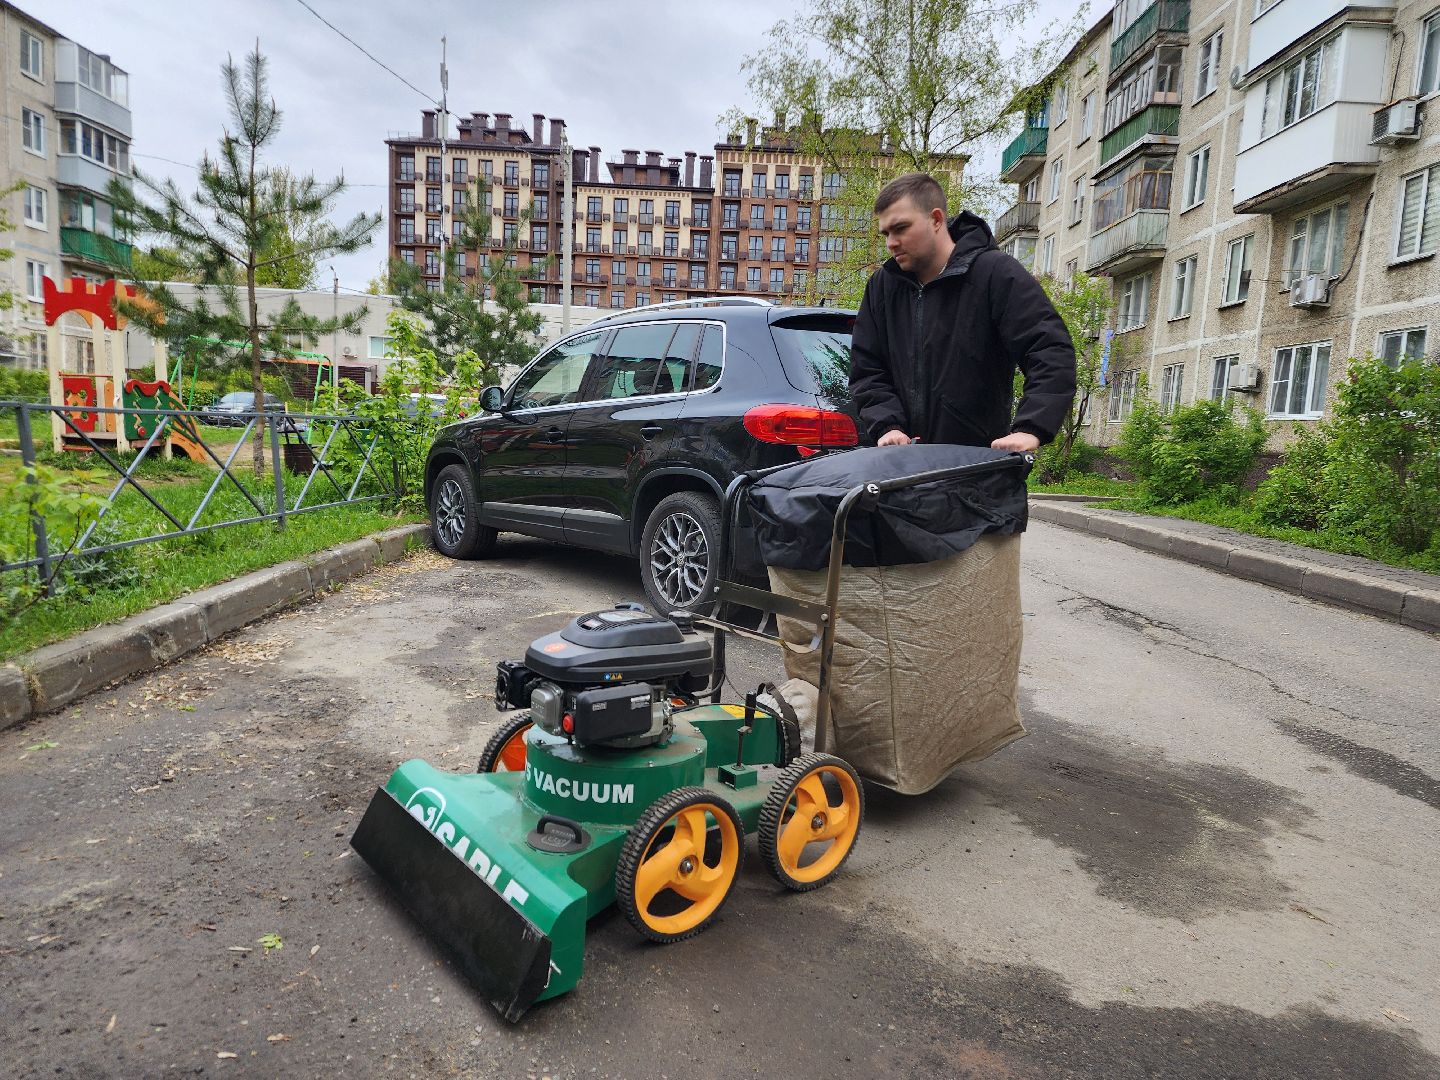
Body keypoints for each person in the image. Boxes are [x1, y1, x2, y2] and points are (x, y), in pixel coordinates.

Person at [849, 172, 1076, 453]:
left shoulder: (995, 274)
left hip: (976, 464)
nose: (891, 242)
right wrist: (887, 425)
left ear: (936, 219)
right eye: (886, 233)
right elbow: (867, 368)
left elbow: (1049, 349)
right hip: (901, 466)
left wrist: (1031, 428)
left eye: (901, 228)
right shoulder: (883, 287)